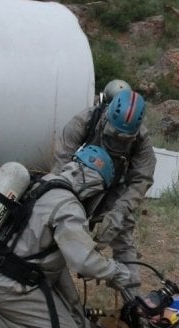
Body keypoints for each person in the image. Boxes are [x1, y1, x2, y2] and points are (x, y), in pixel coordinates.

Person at [0, 144, 133, 328]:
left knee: (60, 277)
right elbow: (84, 262)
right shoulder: (68, 206)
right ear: (93, 186)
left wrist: (88, 327)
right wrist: (118, 273)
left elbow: (57, 263)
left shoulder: (44, 182)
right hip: (8, 287)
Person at [52, 79, 156, 296]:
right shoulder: (83, 122)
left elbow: (141, 180)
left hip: (114, 189)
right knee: (58, 229)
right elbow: (59, 171)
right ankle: (51, 283)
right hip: (77, 183)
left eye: (124, 140)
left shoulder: (142, 142)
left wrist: (119, 212)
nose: (117, 144)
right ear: (106, 116)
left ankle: (134, 300)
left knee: (123, 236)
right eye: (113, 136)